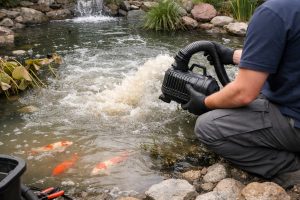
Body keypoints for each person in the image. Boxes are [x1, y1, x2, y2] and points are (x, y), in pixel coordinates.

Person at [181, 0, 300, 189]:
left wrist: (205, 102)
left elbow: (243, 94)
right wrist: (233, 55)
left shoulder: (274, 11)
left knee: (207, 126)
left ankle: (289, 168)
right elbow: (290, 54)